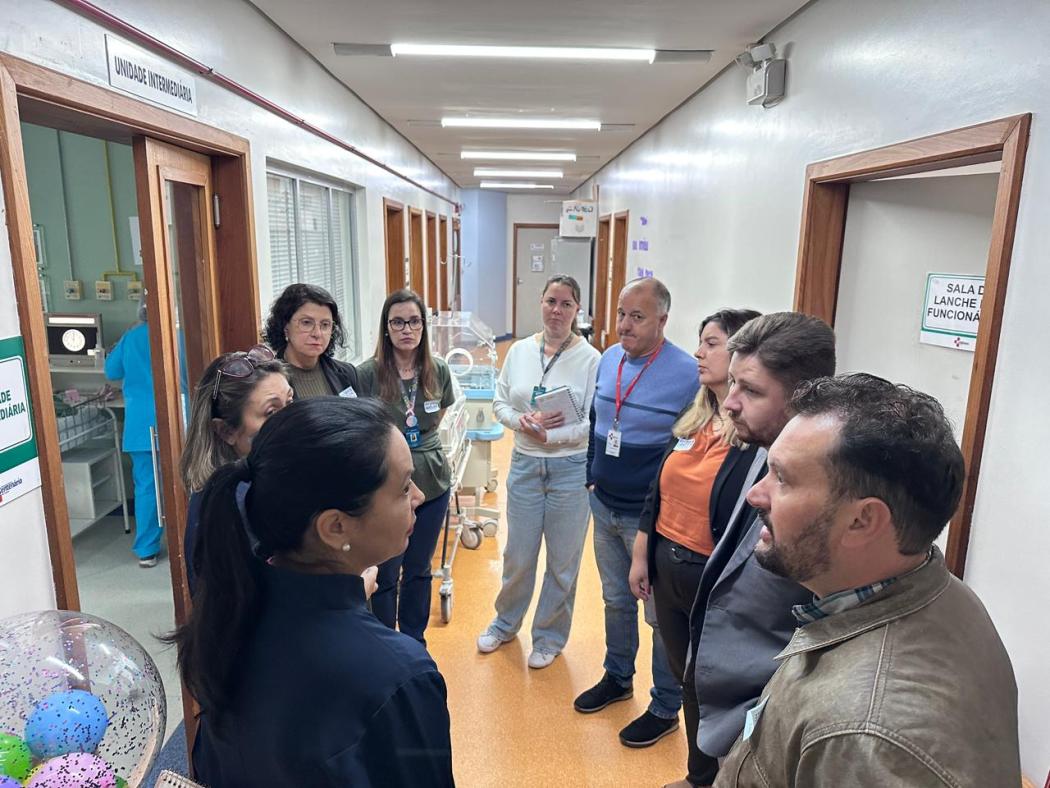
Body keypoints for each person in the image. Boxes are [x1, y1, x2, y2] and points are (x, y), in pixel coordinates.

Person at [714, 374, 1020, 786]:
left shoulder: (867, 739)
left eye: (782, 478)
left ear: (862, 520)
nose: (755, 494)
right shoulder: (935, 587)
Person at [168, 397, 454, 787]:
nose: (419, 496)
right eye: (404, 488)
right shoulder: (400, 676)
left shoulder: (229, 619)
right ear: (335, 527)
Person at [684, 312, 835, 781]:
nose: (729, 403)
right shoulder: (766, 448)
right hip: (725, 695)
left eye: (750, 390)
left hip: (769, 705)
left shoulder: (826, 491)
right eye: (732, 383)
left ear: (803, 396)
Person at [627, 308, 761, 787]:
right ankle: (699, 775)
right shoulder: (696, 416)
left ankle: (725, 777)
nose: (699, 353)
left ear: (742, 355)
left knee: (713, 685)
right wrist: (642, 552)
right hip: (668, 567)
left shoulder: (755, 435)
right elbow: (658, 489)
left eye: (711, 343)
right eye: (700, 342)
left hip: (712, 578)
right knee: (687, 680)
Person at [575, 277, 700, 749]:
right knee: (614, 600)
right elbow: (597, 421)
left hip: (650, 521)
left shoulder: (687, 373)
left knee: (659, 616)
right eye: (621, 314)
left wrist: (657, 511)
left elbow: (688, 449)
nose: (624, 325)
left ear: (663, 320)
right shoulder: (609, 358)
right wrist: (591, 472)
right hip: (603, 502)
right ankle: (617, 676)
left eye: (637, 317)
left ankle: (665, 706)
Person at [478, 275, 601, 669]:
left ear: (577, 309)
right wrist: (521, 422)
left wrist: (553, 436)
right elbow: (500, 403)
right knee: (518, 555)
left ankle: (549, 637)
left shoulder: (591, 360)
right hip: (525, 465)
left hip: (570, 469)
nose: (557, 310)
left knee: (563, 563)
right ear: (541, 303)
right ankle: (505, 623)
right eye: (551, 301)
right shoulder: (519, 351)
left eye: (566, 304)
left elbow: (593, 423)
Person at [357, 289, 455, 645]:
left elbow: (437, 416)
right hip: (386, 486)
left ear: (423, 326)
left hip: (432, 481)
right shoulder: (367, 374)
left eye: (414, 321)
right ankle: (387, 643)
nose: (406, 329)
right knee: (386, 570)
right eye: (397, 322)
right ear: (386, 328)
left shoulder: (437, 369)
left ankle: (414, 641)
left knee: (419, 568)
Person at [179, 345, 292, 595]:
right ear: (226, 431)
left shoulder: (266, 481)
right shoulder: (236, 501)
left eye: (290, 402)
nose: (292, 419)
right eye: (271, 412)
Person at [104, 303, 162, 568]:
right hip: (175, 418)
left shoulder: (131, 337)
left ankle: (147, 550)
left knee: (147, 486)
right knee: (187, 480)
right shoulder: (178, 335)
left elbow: (112, 371)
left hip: (141, 424)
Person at [262, 283, 359, 399]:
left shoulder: (347, 372)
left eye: (325, 325)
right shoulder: (267, 381)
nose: (317, 334)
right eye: (306, 323)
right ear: (285, 327)